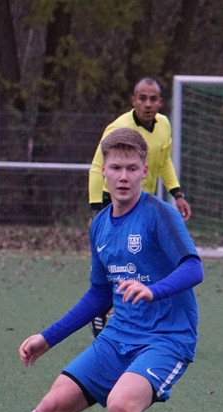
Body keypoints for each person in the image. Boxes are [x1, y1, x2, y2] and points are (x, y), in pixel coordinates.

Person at [0, 128, 203, 412]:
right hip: (119, 336)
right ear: (103, 172)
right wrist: (48, 337)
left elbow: (193, 267)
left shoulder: (159, 214)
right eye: (116, 167)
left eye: (132, 168)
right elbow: (99, 293)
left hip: (167, 337)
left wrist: (153, 290)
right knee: (50, 406)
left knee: (121, 405)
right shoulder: (100, 225)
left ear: (145, 172)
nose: (124, 176)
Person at [88, 78, 191, 335]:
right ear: (133, 101)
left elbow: (164, 161)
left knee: (146, 263)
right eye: (142, 98)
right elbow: (97, 167)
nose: (148, 104)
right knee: (121, 264)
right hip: (115, 203)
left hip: (145, 205)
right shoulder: (118, 128)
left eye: (153, 99)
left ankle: (138, 314)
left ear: (160, 102)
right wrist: (96, 210)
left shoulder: (164, 125)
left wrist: (177, 193)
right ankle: (102, 309)